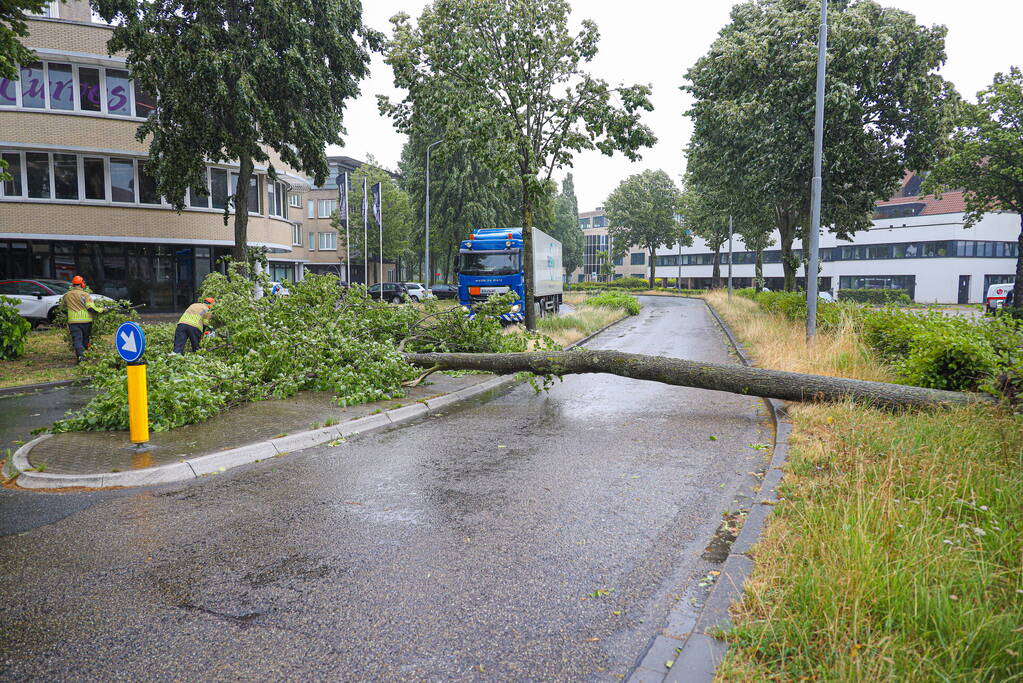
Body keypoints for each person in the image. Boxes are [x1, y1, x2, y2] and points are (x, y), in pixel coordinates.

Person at [62, 275, 104, 363]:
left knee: (77, 339)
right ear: (82, 284)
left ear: (73, 285)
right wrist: (101, 310)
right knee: (85, 339)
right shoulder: (85, 295)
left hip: (73, 322)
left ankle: (80, 357)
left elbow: (64, 306)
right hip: (86, 321)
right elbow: (90, 308)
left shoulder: (66, 295)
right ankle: (85, 355)